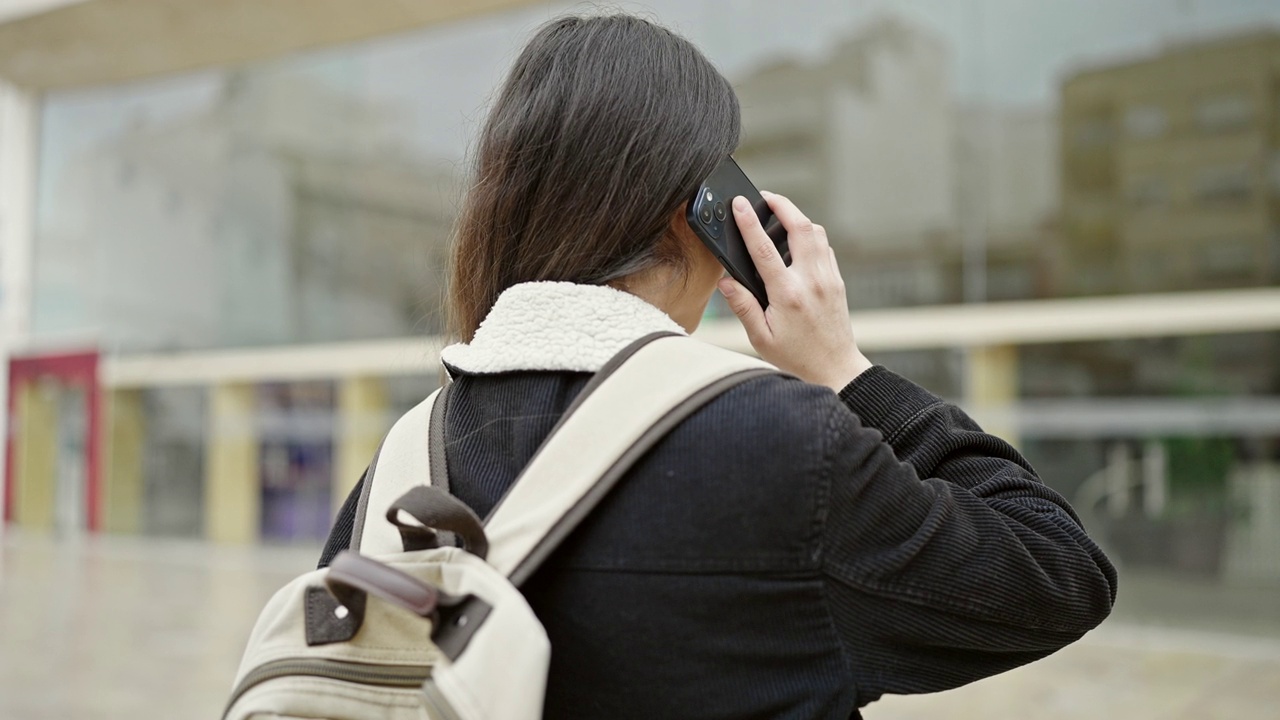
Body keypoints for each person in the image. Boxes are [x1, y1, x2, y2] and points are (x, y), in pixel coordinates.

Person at [319, 13, 1117, 719]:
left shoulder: (401, 472)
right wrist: (843, 366)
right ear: (693, 213)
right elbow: (1056, 572)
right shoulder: (781, 445)